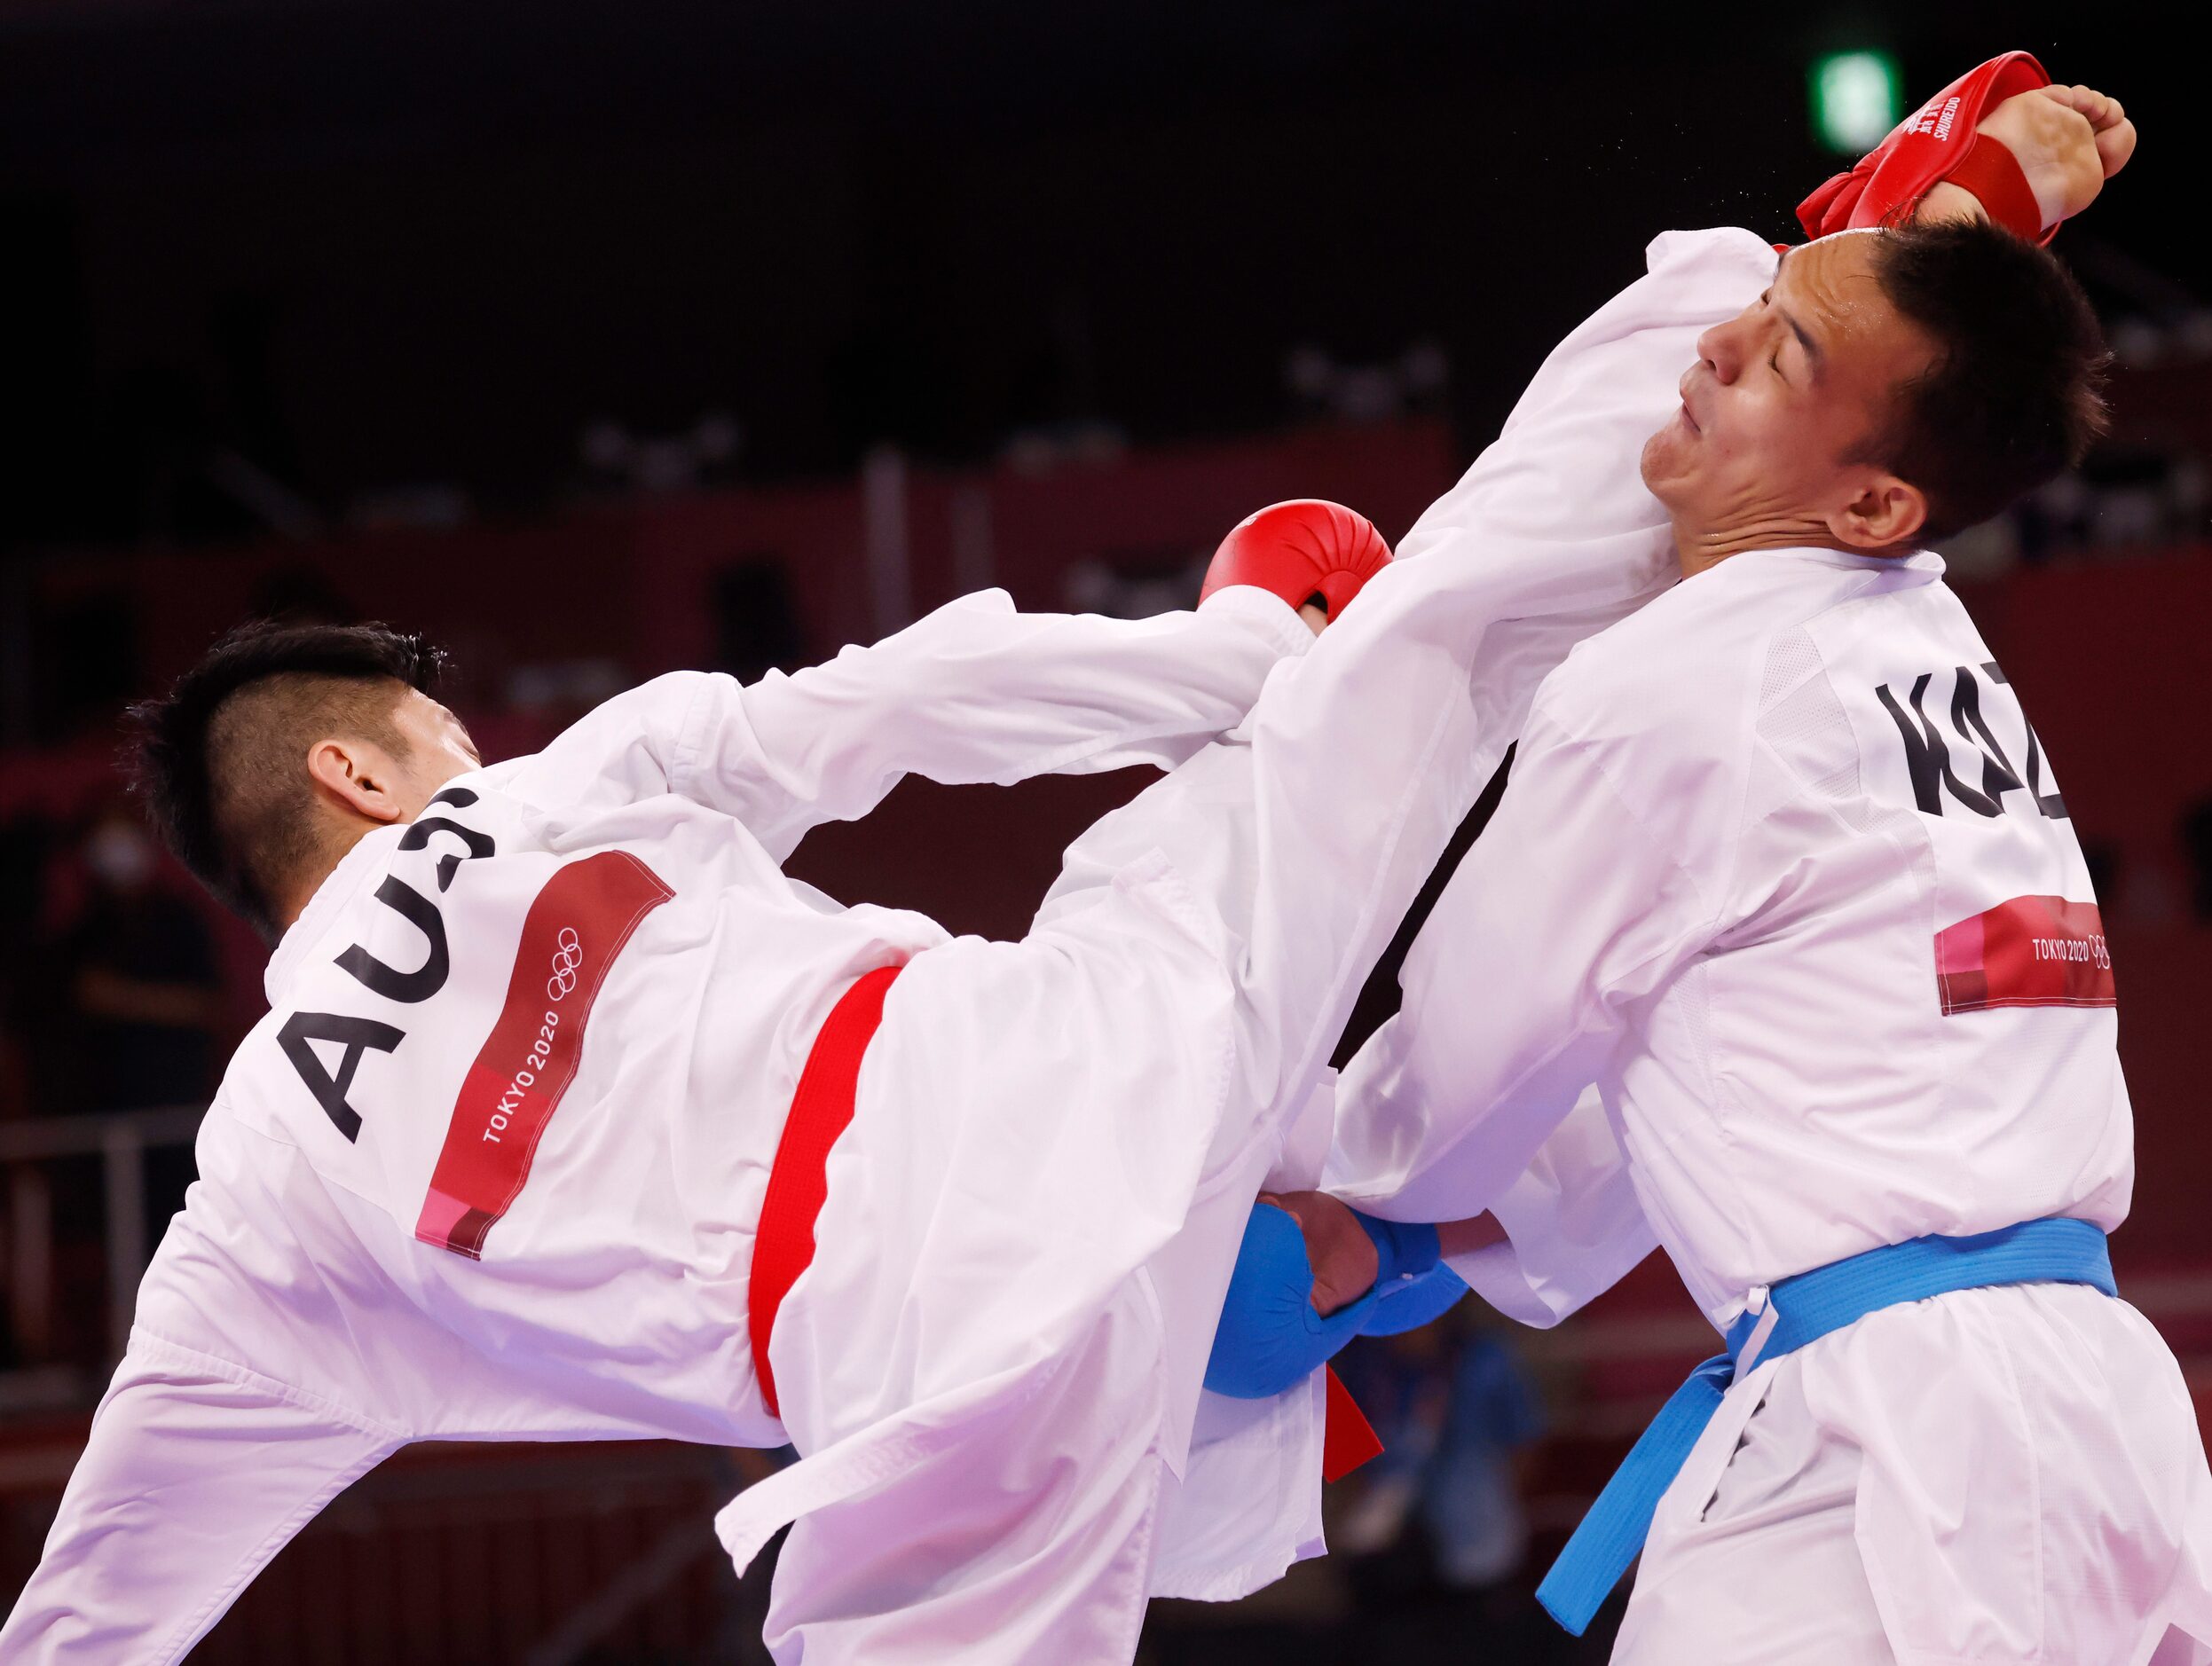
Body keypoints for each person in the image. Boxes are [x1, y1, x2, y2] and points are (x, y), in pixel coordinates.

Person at [1282, 67, 2212, 1665]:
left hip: (1902, 1446)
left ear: (1870, 495)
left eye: (1777, 348)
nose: (1709, 341)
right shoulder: (1917, 632)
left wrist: (1289, 1190)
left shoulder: (1678, 688)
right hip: (2060, 1417)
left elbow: (1452, 1091)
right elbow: (1702, 1063)